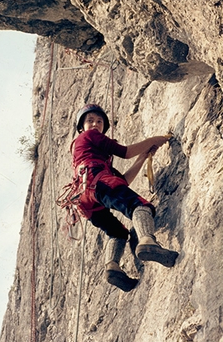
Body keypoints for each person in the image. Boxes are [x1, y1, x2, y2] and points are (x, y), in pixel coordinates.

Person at [71, 103, 179, 292]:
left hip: (85, 197)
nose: (95, 124)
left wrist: (143, 157)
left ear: (104, 126)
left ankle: (112, 267)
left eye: (99, 121)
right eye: (90, 121)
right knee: (140, 206)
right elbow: (126, 152)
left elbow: (122, 181)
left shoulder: (90, 154)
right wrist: (158, 139)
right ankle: (147, 241)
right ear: (81, 127)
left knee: (117, 233)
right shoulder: (89, 136)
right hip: (97, 182)